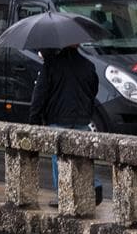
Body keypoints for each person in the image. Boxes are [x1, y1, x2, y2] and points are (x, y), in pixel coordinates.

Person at [29, 44, 102, 204]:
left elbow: (39, 96)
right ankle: (93, 184)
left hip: (58, 118)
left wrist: (34, 120)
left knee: (59, 158)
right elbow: (93, 90)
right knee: (82, 156)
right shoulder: (88, 65)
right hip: (82, 119)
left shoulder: (51, 65)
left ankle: (62, 195)